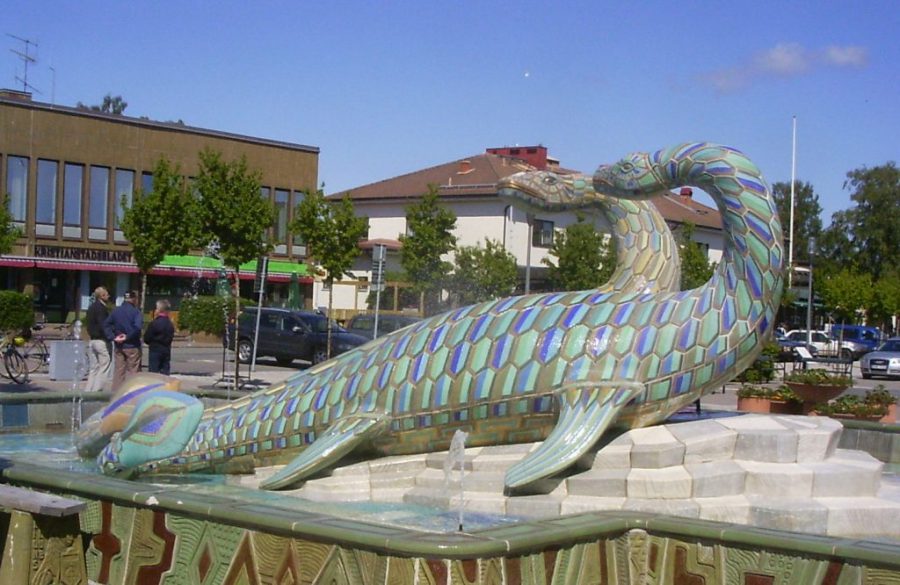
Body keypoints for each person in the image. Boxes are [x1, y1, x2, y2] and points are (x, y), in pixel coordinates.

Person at [104, 290, 143, 391]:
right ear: (134, 299)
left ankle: (116, 394)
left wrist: (113, 337)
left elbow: (106, 325)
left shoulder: (116, 311)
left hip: (119, 345)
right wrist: (128, 336)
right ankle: (132, 393)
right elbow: (137, 328)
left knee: (118, 371)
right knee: (133, 372)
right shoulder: (136, 312)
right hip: (132, 345)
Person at [85, 286, 112, 392]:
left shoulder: (91, 307)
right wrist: (111, 336)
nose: (109, 296)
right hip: (101, 340)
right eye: (107, 294)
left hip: (92, 340)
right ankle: (97, 390)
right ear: (102, 296)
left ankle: (88, 391)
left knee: (94, 368)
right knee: (105, 364)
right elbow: (103, 325)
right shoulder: (101, 308)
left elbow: (88, 323)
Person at [143, 299, 175, 375]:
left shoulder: (154, 323)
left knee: (153, 372)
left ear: (158, 310)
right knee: (165, 371)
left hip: (155, 349)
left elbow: (147, 338)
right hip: (166, 349)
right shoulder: (170, 324)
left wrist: (149, 341)